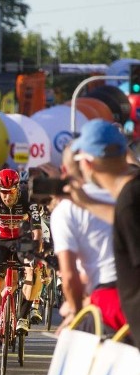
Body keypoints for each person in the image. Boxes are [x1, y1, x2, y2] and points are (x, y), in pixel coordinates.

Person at [62, 119, 138, 345]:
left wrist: (88, 305)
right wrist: (86, 203)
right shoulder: (130, 197)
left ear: (87, 163)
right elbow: (124, 218)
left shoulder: (130, 201)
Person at [50, 144, 121, 334]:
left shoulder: (66, 209)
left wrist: (77, 312)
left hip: (111, 300)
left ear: (64, 171)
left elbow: (69, 276)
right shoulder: (128, 193)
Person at [0, 168, 42, 344]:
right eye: (3, 192)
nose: (7, 197)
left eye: (11, 192)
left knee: (33, 271)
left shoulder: (28, 200)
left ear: (18, 188)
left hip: (21, 240)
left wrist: (36, 253)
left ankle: (23, 316)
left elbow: (37, 231)